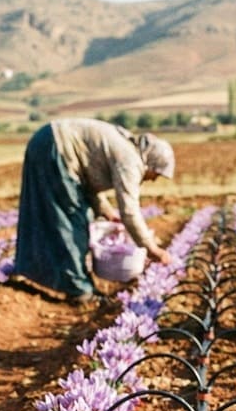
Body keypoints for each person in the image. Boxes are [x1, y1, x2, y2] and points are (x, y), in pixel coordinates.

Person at [13, 118, 174, 303]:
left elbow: (89, 178)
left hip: (47, 141)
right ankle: (79, 291)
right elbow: (129, 211)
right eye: (157, 174)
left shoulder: (125, 148)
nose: (154, 179)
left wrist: (106, 211)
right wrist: (152, 249)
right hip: (55, 148)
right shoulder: (130, 161)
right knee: (73, 222)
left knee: (45, 214)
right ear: (151, 163)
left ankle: (28, 269)